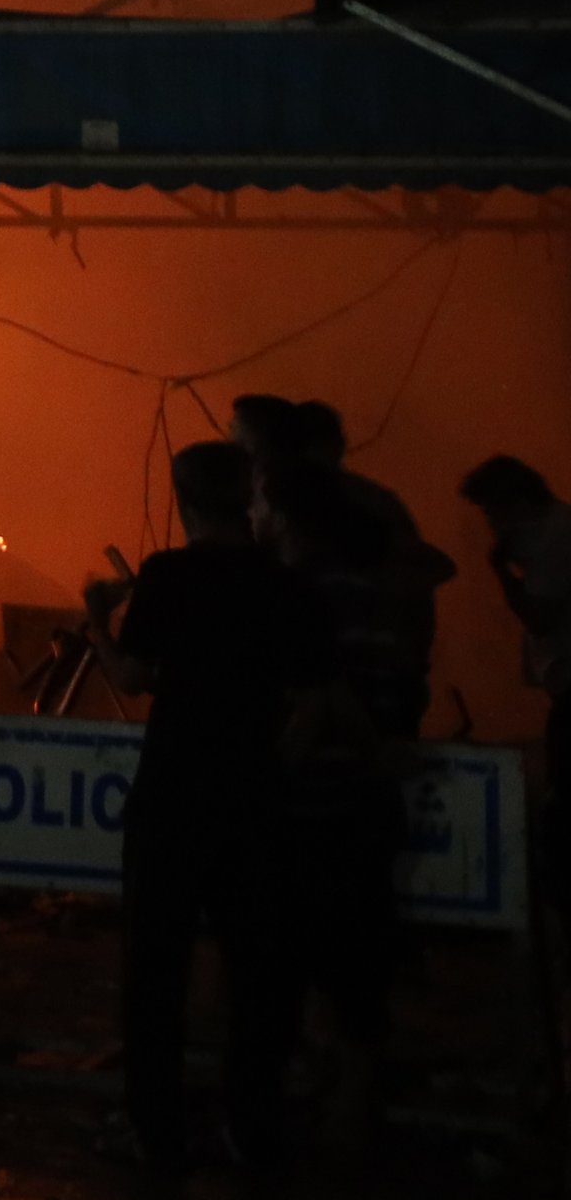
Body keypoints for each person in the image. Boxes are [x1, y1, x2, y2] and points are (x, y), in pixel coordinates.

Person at [84, 442, 334, 1200]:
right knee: (258, 971)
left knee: (153, 969)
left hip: (172, 801)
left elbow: (131, 673)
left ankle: (158, 1134)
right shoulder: (282, 584)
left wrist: (94, 619)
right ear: (245, 497)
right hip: (253, 806)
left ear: (185, 501)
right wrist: (272, 762)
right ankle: (253, 1129)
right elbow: (313, 697)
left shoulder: (167, 576)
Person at [249, 397, 444, 1129]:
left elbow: (321, 689)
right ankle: (348, 1094)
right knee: (356, 950)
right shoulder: (377, 554)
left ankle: (337, 1103)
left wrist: (278, 763)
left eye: (263, 501)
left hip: (320, 796)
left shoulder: (310, 591)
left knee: (309, 947)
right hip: (360, 791)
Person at [461, 455, 571, 910]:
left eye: (493, 512)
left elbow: (540, 616)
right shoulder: (555, 532)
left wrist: (501, 574)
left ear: (517, 503)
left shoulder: (557, 539)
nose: (491, 523)